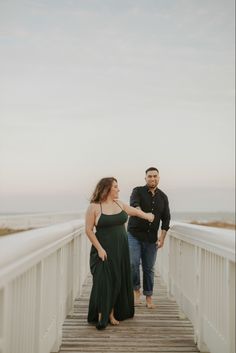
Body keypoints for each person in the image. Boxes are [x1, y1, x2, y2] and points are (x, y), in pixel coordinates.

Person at [85, 177, 154, 330]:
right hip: (103, 250)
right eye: (115, 186)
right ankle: (103, 313)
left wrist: (148, 215)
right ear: (107, 189)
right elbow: (89, 230)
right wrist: (100, 249)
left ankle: (111, 312)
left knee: (118, 279)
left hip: (121, 249)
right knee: (104, 281)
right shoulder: (95, 207)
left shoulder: (119, 204)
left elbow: (134, 211)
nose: (118, 189)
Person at [127, 167, 170, 309]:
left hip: (151, 238)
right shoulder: (137, 191)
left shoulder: (163, 197)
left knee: (149, 268)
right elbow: (134, 206)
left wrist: (162, 238)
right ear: (145, 178)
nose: (152, 178)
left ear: (159, 178)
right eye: (150, 176)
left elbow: (166, 220)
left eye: (155, 176)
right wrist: (144, 215)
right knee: (133, 263)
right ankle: (136, 290)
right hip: (134, 235)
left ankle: (149, 296)